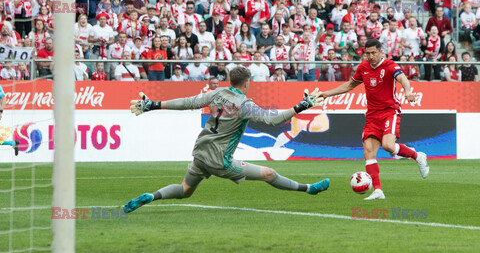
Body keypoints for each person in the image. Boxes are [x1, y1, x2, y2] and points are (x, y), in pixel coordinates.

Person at [123, 67, 329, 213]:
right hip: (220, 160)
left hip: (201, 152)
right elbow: (274, 120)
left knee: (185, 190)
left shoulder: (216, 93)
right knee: (269, 173)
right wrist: (301, 106)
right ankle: (309, 189)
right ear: (247, 83)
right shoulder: (244, 104)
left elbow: (187, 102)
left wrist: (153, 104)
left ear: (230, 81)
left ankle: (151, 196)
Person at [319, 39, 429, 201]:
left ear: (380, 52)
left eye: (373, 53)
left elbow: (403, 79)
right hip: (372, 115)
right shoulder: (363, 67)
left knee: (388, 146)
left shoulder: (390, 66)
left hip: (390, 111)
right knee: (369, 152)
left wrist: (408, 91)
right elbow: (349, 85)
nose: (370, 56)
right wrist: (327, 93)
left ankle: (418, 156)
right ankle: (378, 190)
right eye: (367, 53)